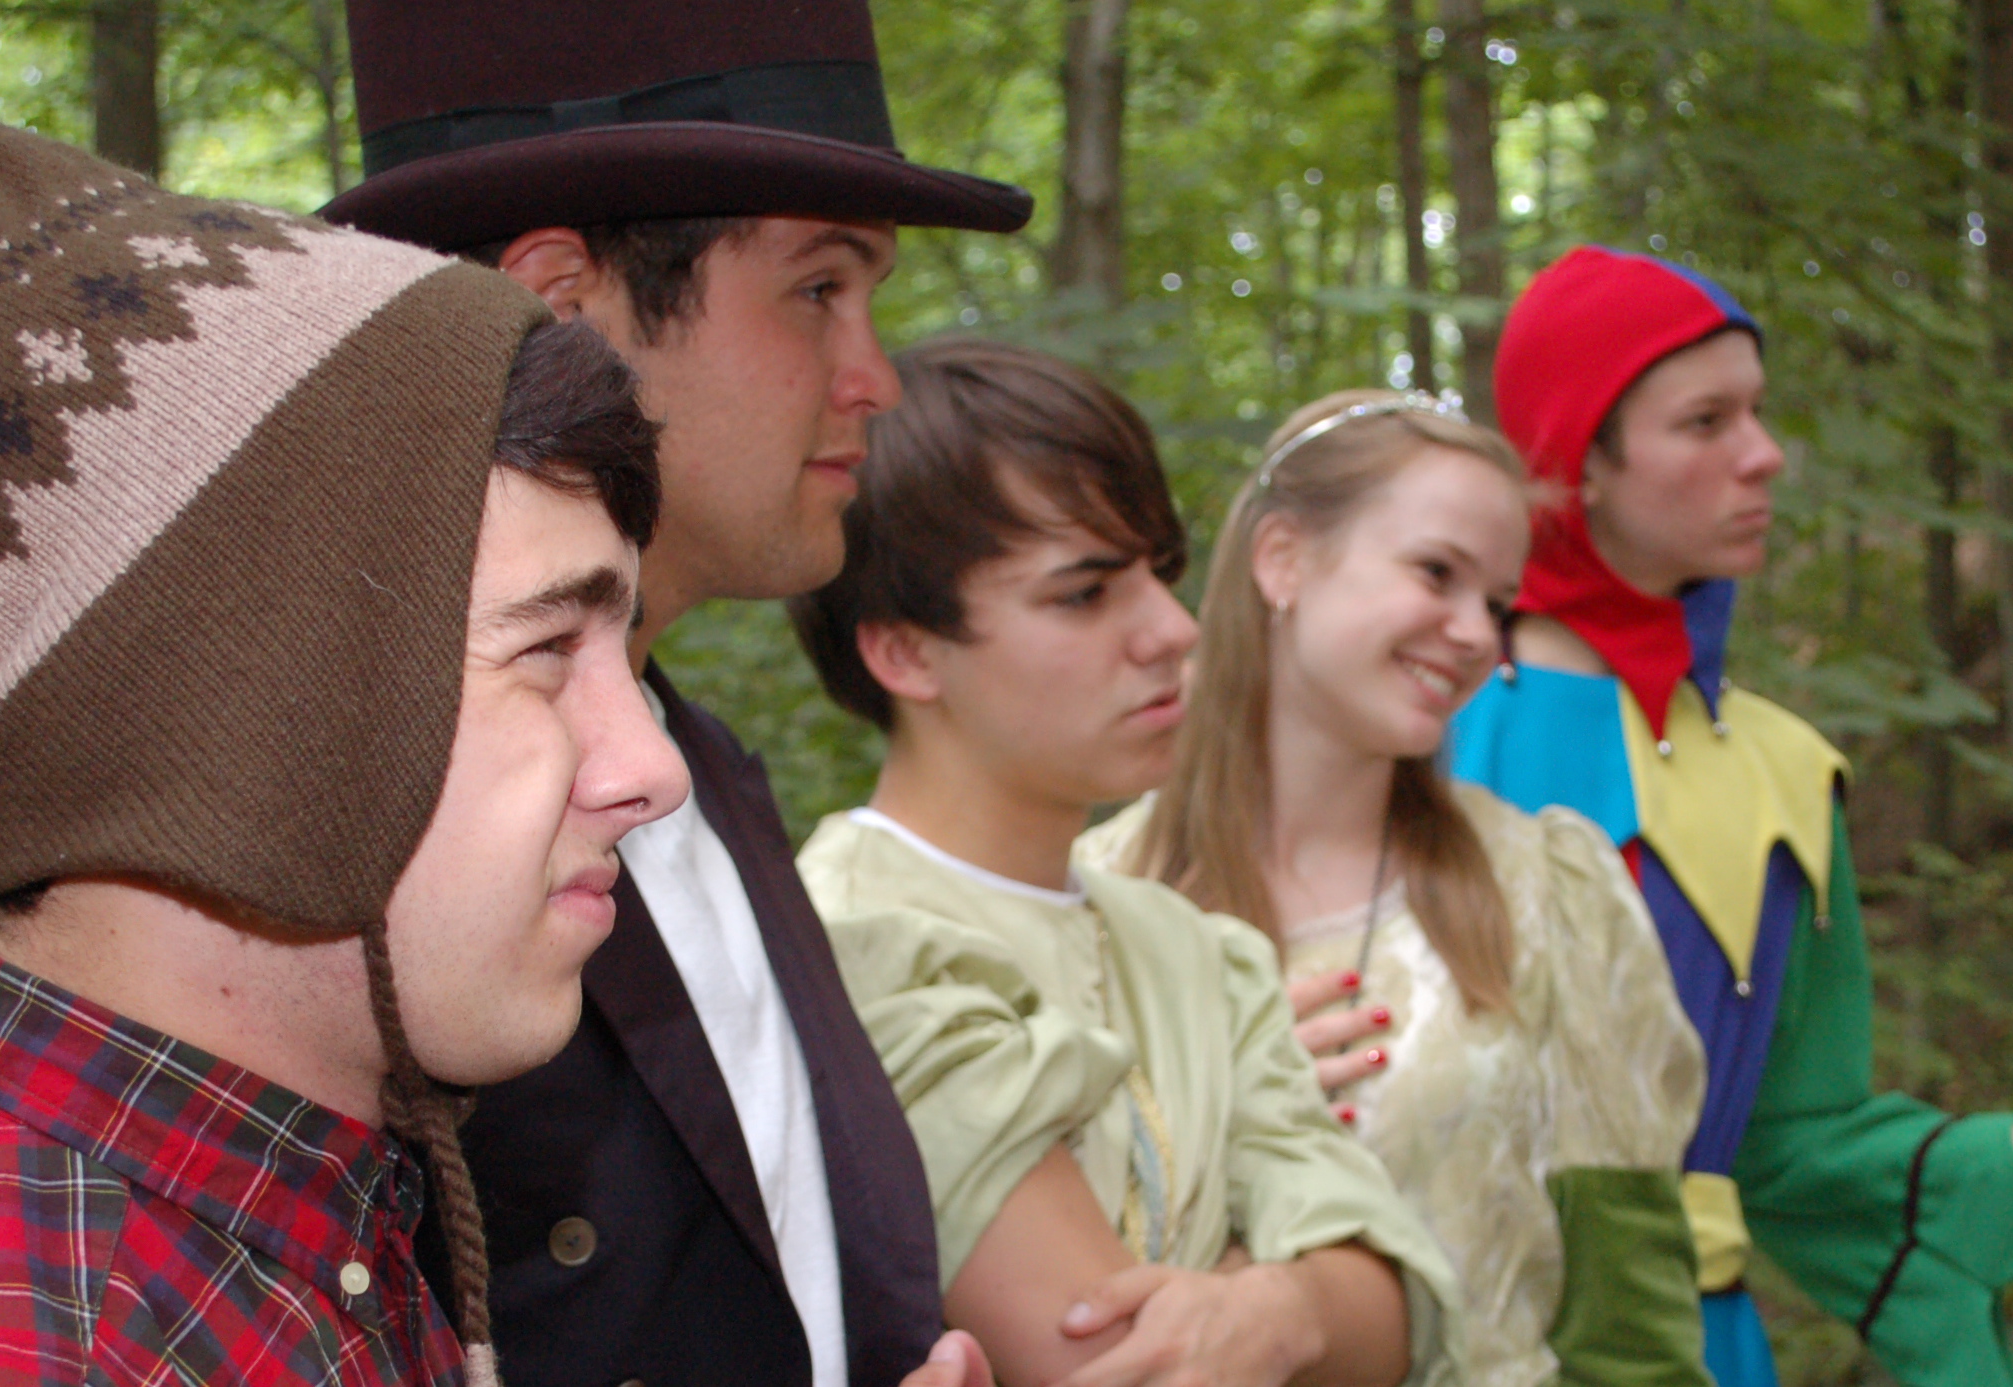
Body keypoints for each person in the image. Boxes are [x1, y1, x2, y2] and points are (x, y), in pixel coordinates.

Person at [319, 3, 1035, 1384]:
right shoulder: (348, 833)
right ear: (558, 305)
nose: (874, 375)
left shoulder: (708, 770)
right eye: (817, 288)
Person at [0, 120, 690, 1384]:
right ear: (243, 720)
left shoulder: (305, 1217)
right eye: (549, 649)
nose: (649, 769)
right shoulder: (44, 1346)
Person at [788, 340, 1461, 1387]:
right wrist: (1277, 1287)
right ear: (905, 652)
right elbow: (1116, 1361)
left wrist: (1278, 1314)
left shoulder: (1198, 954)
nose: (1171, 628)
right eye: (1083, 593)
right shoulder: (847, 948)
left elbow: (1393, 1320)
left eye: (1158, 573)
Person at [1448, 245, 2013, 1387]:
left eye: (1755, 413)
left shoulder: (1783, 771)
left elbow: (1799, 1150)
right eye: (1703, 422)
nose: (1763, 456)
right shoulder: (1434, 738)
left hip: (1708, 1348)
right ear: (1576, 462)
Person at [1077, 389, 1712, 1386]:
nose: (1474, 634)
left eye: (1497, 601)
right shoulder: (1094, 898)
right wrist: (1213, 1094)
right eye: (1434, 573)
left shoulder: (1541, 893)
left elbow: (1629, 1326)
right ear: (1280, 559)